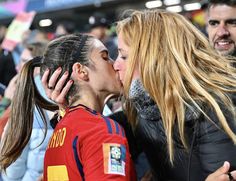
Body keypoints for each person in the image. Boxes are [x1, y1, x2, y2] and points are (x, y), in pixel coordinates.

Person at [44, 9, 236, 181]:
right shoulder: (143, 106)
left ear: (155, 58)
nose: (116, 64)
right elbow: (94, 138)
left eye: (124, 56)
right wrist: (69, 110)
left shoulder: (214, 107)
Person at [0, 33, 136, 181]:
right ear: (81, 71)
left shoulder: (60, 130)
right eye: (105, 57)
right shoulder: (102, 130)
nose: (115, 64)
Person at [0, 41, 54, 181]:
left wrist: (7, 102)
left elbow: (11, 166)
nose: (18, 67)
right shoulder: (61, 93)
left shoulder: (26, 99)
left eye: (24, 61)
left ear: (38, 66)